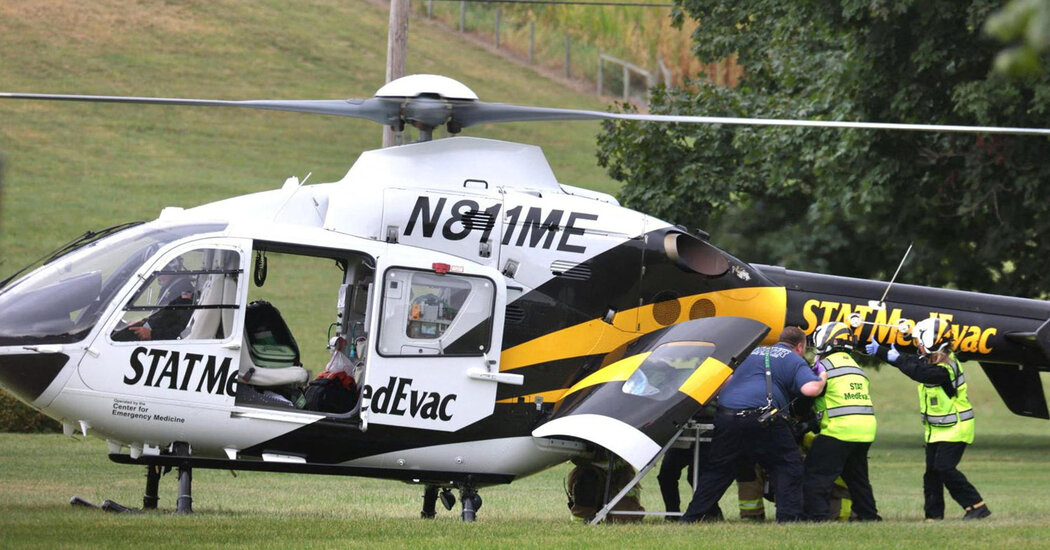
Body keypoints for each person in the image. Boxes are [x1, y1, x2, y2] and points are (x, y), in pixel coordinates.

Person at [681, 326, 827, 523]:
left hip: (727, 416)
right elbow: (810, 389)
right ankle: (788, 518)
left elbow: (724, 381)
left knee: (718, 470)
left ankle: (692, 517)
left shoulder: (748, 352)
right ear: (800, 347)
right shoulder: (793, 359)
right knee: (787, 466)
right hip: (764, 419)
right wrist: (822, 377)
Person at [866, 317, 991, 520]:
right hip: (937, 430)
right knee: (931, 474)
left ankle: (976, 506)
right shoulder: (930, 361)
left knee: (944, 468)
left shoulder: (945, 369)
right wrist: (882, 352)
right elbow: (912, 363)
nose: (917, 346)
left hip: (956, 428)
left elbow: (918, 371)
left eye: (919, 341)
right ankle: (933, 516)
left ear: (930, 342)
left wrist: (895, 358)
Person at [802, 322, 881, 521]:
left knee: (816, 477)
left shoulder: (822, 366)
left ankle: (818, 518)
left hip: (838, 430)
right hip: (864, 431)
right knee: (857, 478)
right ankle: (869, 516)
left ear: (824, 341)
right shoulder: (856, 367)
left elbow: (808, 395)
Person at [124, 258, 196, 340]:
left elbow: (183, 324)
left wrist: (152, 334)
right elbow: (163, 315)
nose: (158, 277)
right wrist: (143, 322)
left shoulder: (183, 288)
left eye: (160, 273)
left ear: (170, 270)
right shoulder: (169, 287)